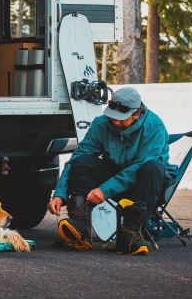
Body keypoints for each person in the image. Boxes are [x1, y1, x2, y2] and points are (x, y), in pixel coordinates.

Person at [47, 87, 176, 255]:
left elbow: (140, 167)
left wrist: (105, 189)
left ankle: (131, 233)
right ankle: (80, 226)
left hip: (148, 185)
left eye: (121, 119)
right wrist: (60, 194)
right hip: (116, 179)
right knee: (83, 162)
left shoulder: (154, 126)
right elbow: (77, 158)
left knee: (152, 167)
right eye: (112, 117)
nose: (115, 122)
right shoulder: (102, 123)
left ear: (136, 114)